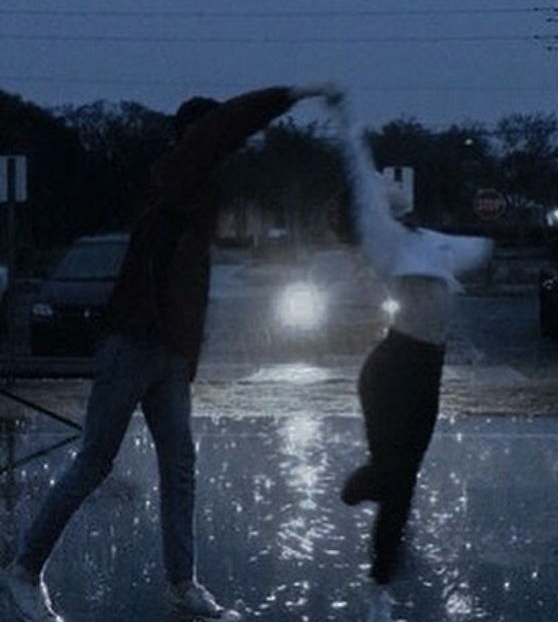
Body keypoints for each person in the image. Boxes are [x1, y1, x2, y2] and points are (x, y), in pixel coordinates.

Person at [1, 83, 341, 622]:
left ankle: (182, 584)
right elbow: (224, 130)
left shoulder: (199, 194)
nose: (226, 155)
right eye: (215, 142)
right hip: (131, 346)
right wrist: (290, 95)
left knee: (180, 466)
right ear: (193, 139)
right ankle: (23, 570)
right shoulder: (179, 180)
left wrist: (186, 357)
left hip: (168, 356)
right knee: (94, 462)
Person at [331, 104, 493, 602]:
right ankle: (380, 561)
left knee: (403, 475)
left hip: (420, 370)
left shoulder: (434, 243)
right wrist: (347, 125)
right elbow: (360, 179)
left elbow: (478, 248)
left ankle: (383, 556)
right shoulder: (391, 246)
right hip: (395, 369)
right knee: (397, 477)